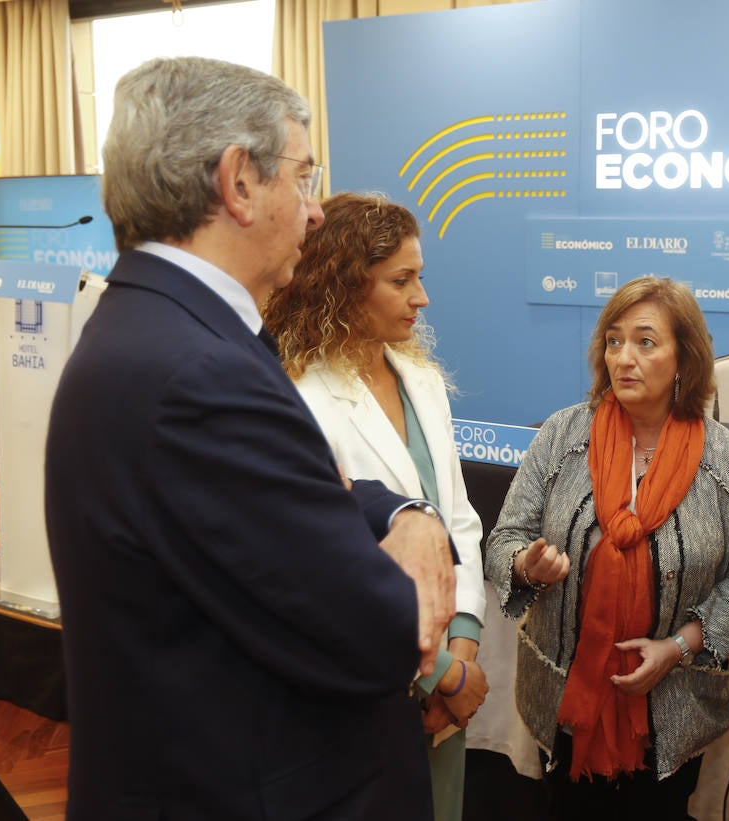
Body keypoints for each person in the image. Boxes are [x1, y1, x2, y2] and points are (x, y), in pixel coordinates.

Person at [44, 57, 457, 820]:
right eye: (303, 177)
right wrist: (411, 556)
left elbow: (308, 497)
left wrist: (406, 514)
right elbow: (379, 629)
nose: (314, 211)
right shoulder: (200, 374)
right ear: (238, 183)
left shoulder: (156, 330)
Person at [485, 275, 729, 820]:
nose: (624, 359)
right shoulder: (564, 435)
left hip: (676, 711)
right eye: (614, 341)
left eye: (645, 342)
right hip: (566, 707)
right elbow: (504, 539)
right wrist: (526, 566)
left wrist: (680, 647)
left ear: (684, 357)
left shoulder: (724, 456)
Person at [262, 192, 490, 819]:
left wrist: (465, 642)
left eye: (421, 277)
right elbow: (324, 570)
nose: (423, 298)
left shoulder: (421, 378)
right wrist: (439, 673)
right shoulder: (299, 399)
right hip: (369, 687)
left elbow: (458, 520)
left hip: (450, 683)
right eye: (402, 280)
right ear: (342, 286)